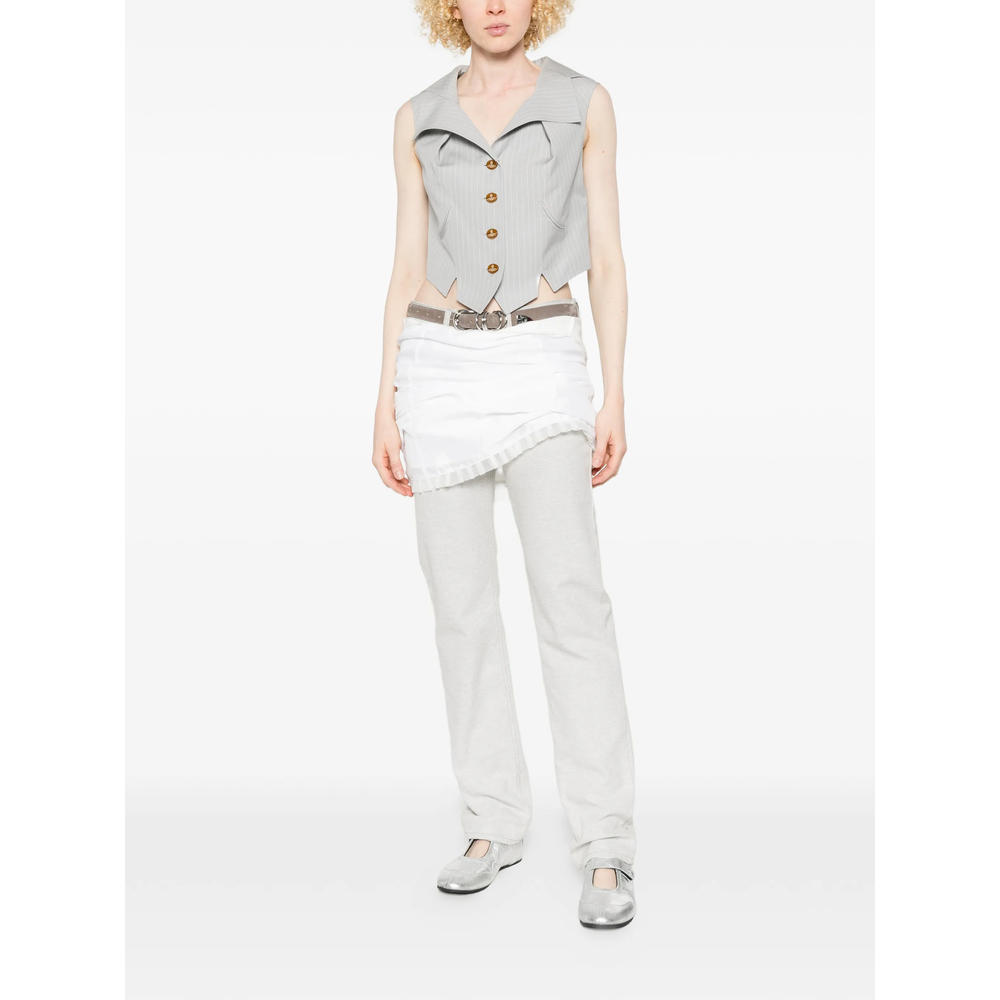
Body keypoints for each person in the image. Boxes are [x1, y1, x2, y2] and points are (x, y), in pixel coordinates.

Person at [372, 0, 637, 929]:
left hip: (542, 358)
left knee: (572, 600)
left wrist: (613, 393)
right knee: (462, 610)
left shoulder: (585, 102)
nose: (494, 4)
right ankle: (492, 821)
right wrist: (385, 398)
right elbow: (406, 263)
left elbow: (607, 257)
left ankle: (604, 840)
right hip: (437, 366)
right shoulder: (416, 116)